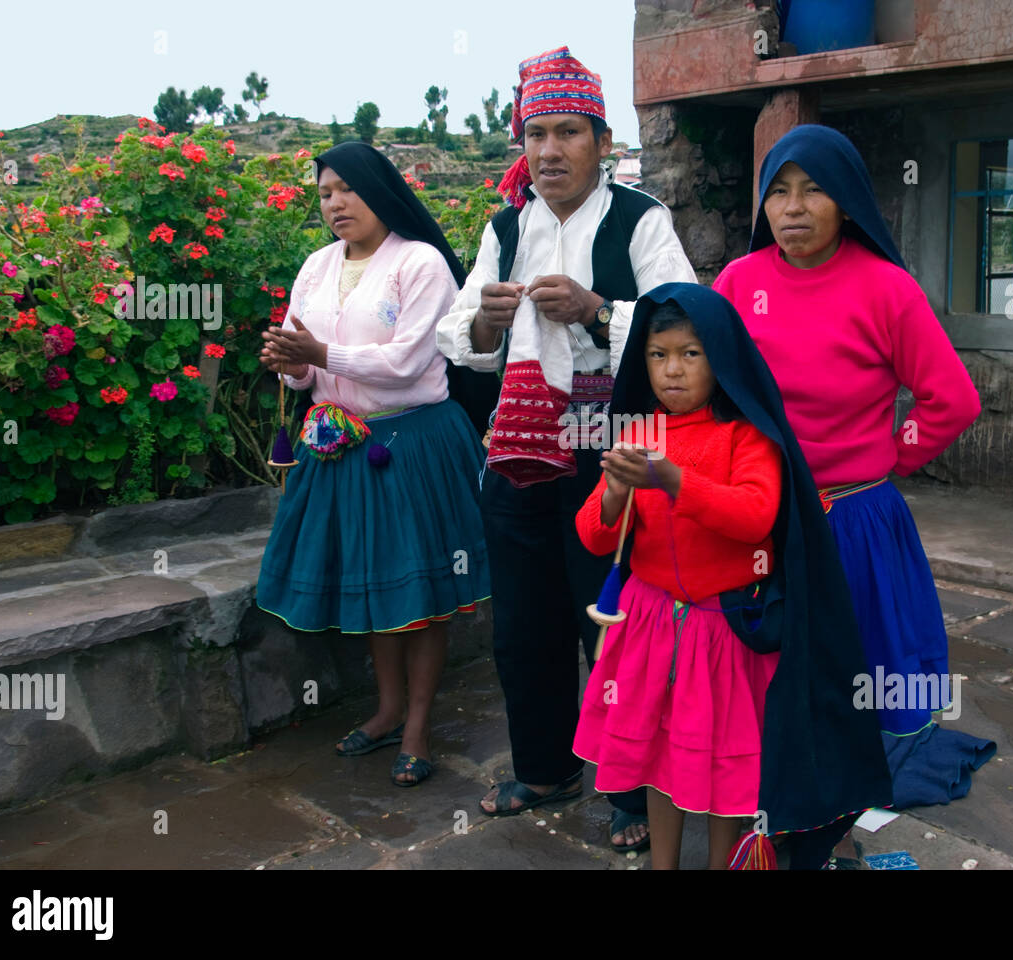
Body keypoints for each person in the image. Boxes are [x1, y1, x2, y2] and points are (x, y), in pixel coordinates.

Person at [436, 45, 696, 852]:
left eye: (566, 134)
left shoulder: (639, 220)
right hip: (517, 456)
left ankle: (629, 792)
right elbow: (459, 339)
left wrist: (595, 309)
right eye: (534, 134)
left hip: (608, 459)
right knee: (524, 624)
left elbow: (683, 331)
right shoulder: (506, 226)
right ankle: (545, 765)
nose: (548, 151)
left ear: (602, 140)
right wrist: (486, 319)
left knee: (612, 623)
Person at [713, 124, 992, 868]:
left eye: (815, 190)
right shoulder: (740, 285)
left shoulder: (883, 287)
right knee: (768, 662)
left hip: (853, 517)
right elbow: (711, 389)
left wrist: (887, 460)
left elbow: (951, 399)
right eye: (779, 190)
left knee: (861, 667)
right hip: (765, 514)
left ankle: (845, 801)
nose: (794, 208)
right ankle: (775, 785)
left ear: (848, 203)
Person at [575, 283, 893, 870]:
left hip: (722, 631)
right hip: (649, 626)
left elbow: (753, 518)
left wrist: (673, 481)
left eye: (691, 354)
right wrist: (616, 491)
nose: (672, 371)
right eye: (658, 355)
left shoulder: (746, 435)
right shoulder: (638, 434)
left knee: (724, 765)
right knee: (656, 755)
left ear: (722, 357)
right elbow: (594, 536)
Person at [257, 141, 490, 788]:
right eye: (326, 192)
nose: (335, 203)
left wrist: (319, 354)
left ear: (379, 191)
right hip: (338, 446)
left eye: (347, 189)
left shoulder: (420, 266)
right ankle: (387, 709)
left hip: (412, 446)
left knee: (421, 594)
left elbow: (409, 362)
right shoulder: (315, 267)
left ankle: (417, 726)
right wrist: (291, 361)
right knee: (368, 581)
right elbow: (308, 369)